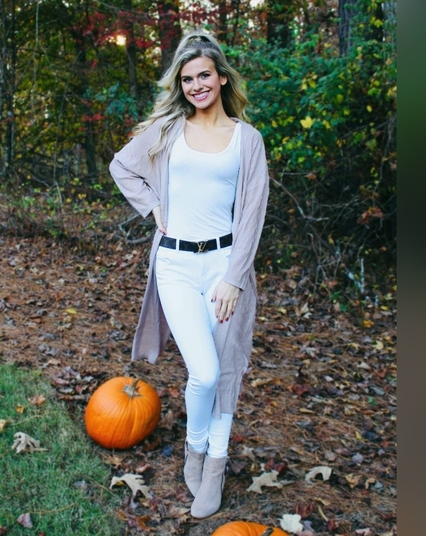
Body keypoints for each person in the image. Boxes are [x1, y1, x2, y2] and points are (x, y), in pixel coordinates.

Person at [109, 31, 269, 519]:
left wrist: (235, 277)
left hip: (224, 267)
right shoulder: (169, 129)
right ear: (180, 86)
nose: (197, 85)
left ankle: (213, 466)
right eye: (187, 79)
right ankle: (194, 449)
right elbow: (122, 166)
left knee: (226, 369)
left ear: (221, 78)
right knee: (203, 372)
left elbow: (252, 213)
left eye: (204, 75)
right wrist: (153, 204)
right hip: (175, 266)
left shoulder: (246, 139)